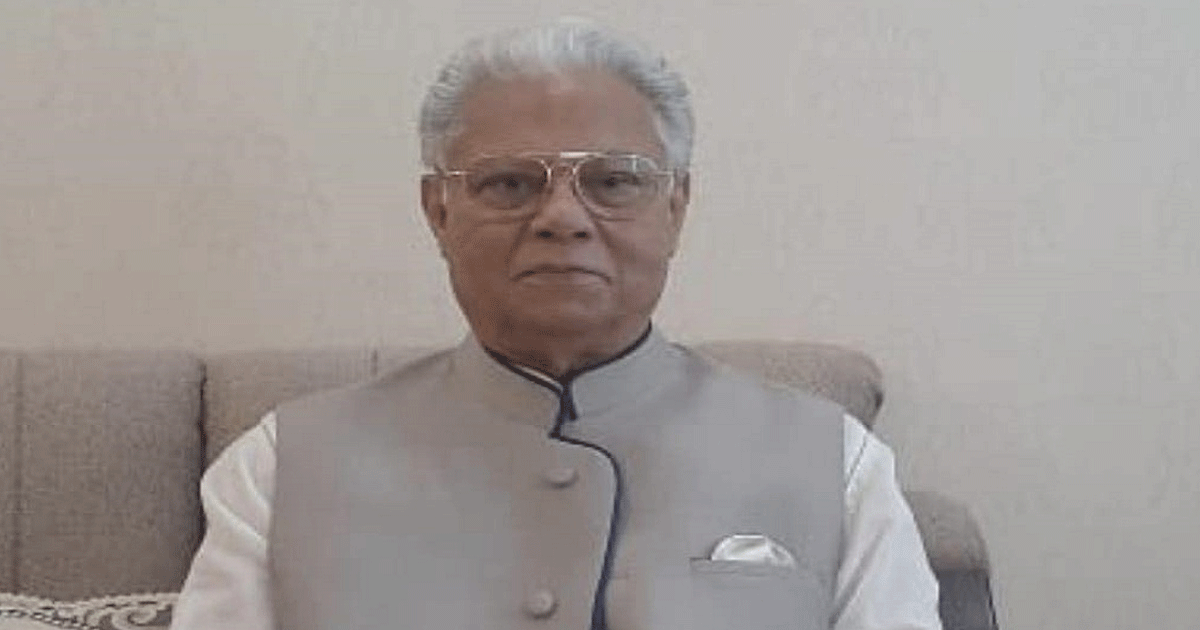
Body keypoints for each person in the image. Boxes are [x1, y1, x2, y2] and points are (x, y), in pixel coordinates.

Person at [170, 18, 942, 630]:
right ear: (438, 210)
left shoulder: (836, 466)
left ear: (676, 208)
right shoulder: (279, 470)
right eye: (510, 183)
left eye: (613, 181)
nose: (562, 217)